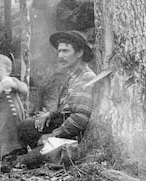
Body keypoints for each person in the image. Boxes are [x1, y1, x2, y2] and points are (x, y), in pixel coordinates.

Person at [16, 30, 96, 167]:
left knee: (25, 161)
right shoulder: (73, 76)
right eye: (59, 51)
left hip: (74, 136)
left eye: (65, 51)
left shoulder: (86, 78)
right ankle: (44, 151)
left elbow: (80, 117)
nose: (60, 56)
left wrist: (53, 135)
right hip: (64, 129)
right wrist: (51, 113)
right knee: (25, 126)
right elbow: (68, 108)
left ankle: (47, 154)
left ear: (79, 53)